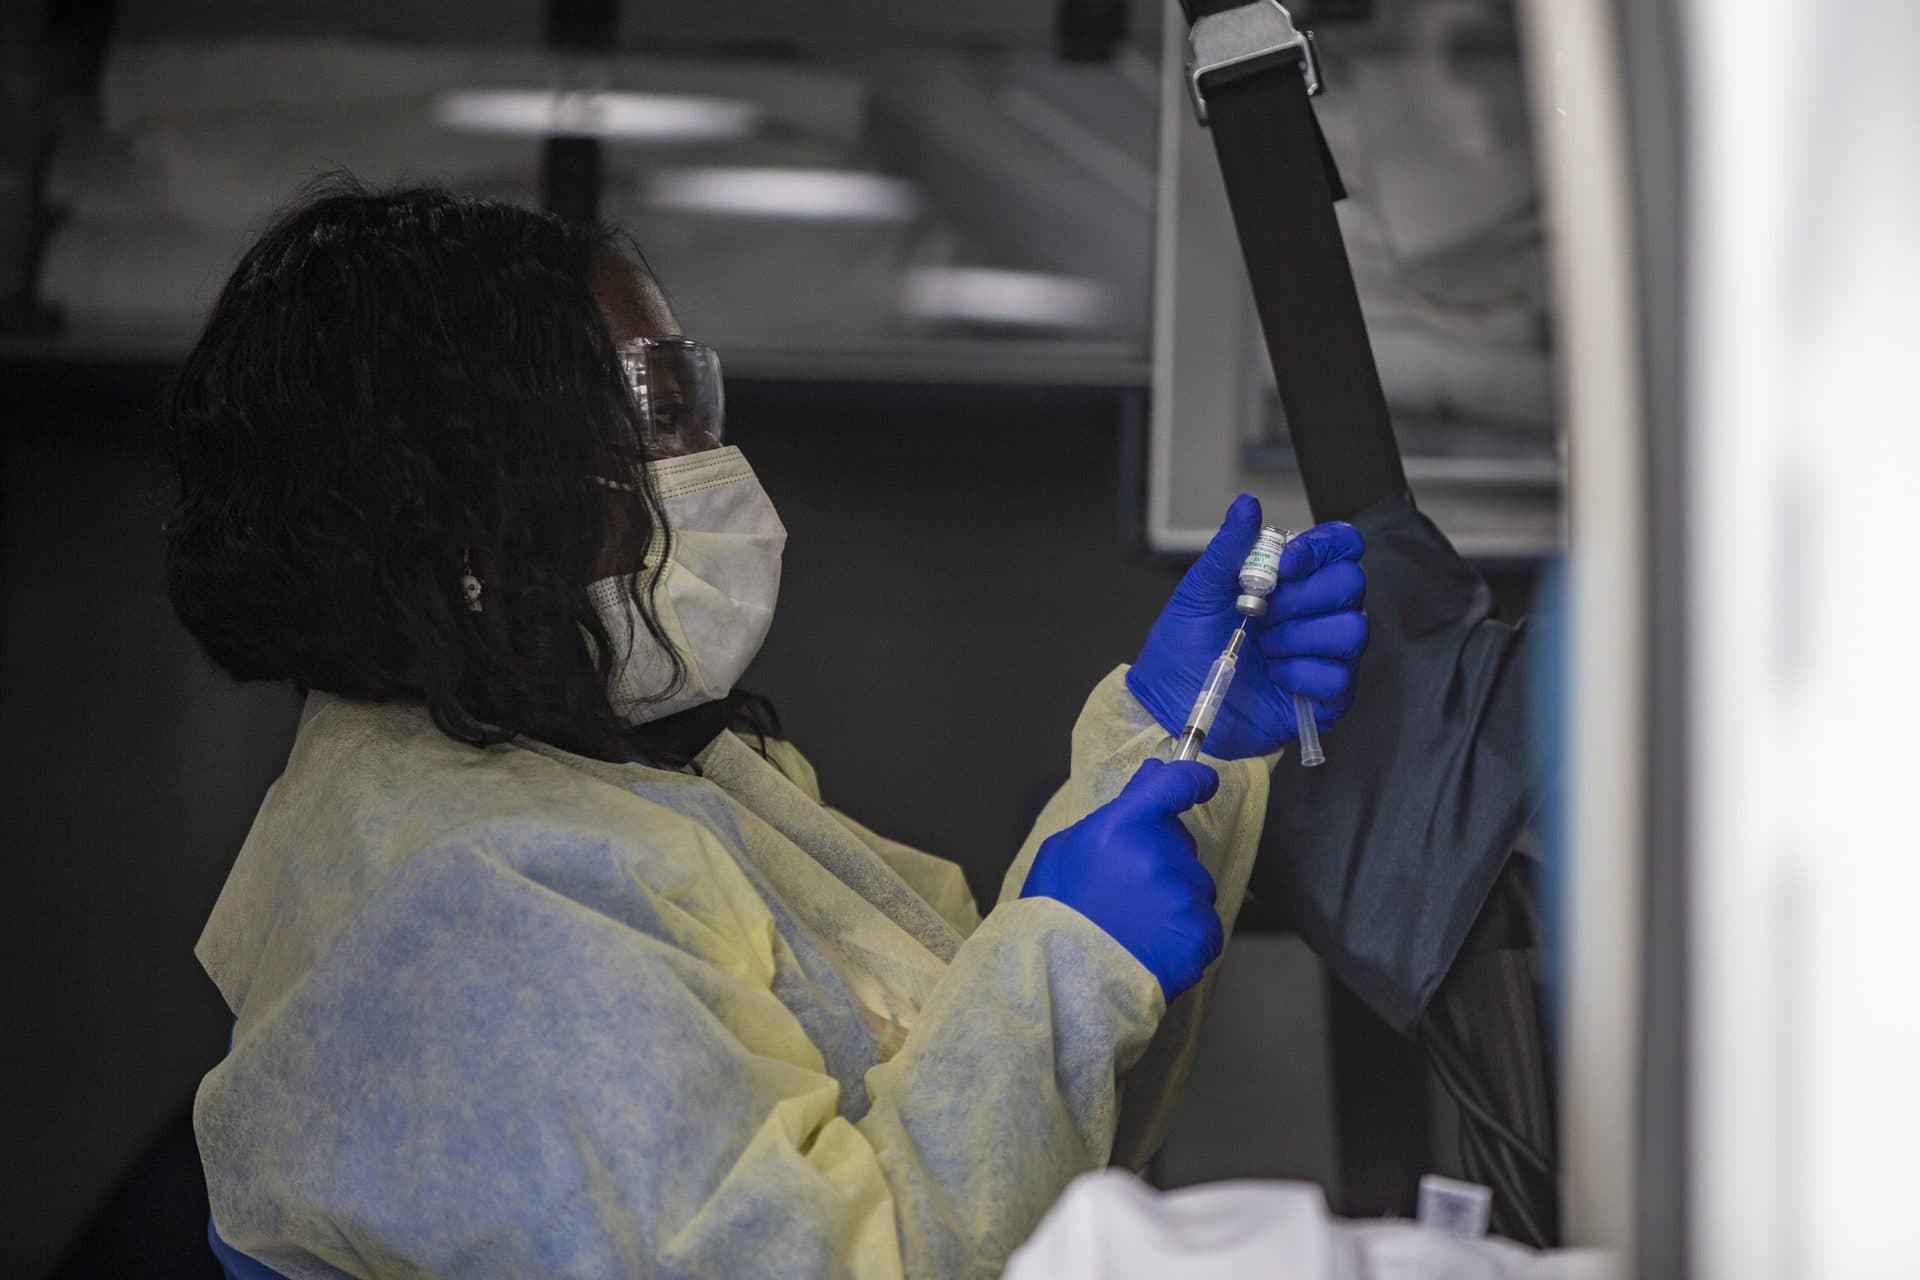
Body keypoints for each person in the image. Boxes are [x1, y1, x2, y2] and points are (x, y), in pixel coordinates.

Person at [167, 182, 1370, 1279]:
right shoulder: (469, 917)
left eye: (690, 398)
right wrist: (1067, 963)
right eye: (651, 414)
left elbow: (1021, 1139)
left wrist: (1174, 739)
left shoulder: (615, 780)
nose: (709, 462)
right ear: (465, 504)